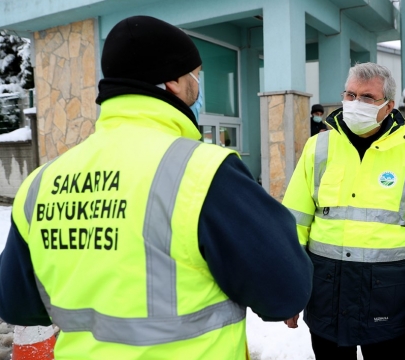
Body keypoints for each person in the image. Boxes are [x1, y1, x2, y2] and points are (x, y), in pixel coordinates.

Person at [0, 16, 312, 359]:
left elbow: (16, 304)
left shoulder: (41, 183)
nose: (198, 83)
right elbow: (285, 289)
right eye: (197, 73)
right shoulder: (203, 171)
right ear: (175, 82)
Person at [282, 62, 405, 359]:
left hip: (389, 300)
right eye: (350, 95)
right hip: (327, 295)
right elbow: (292, 226)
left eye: (367, 98)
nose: (355, 103)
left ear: (388, 106)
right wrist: (287, 292)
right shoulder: (317, 147)